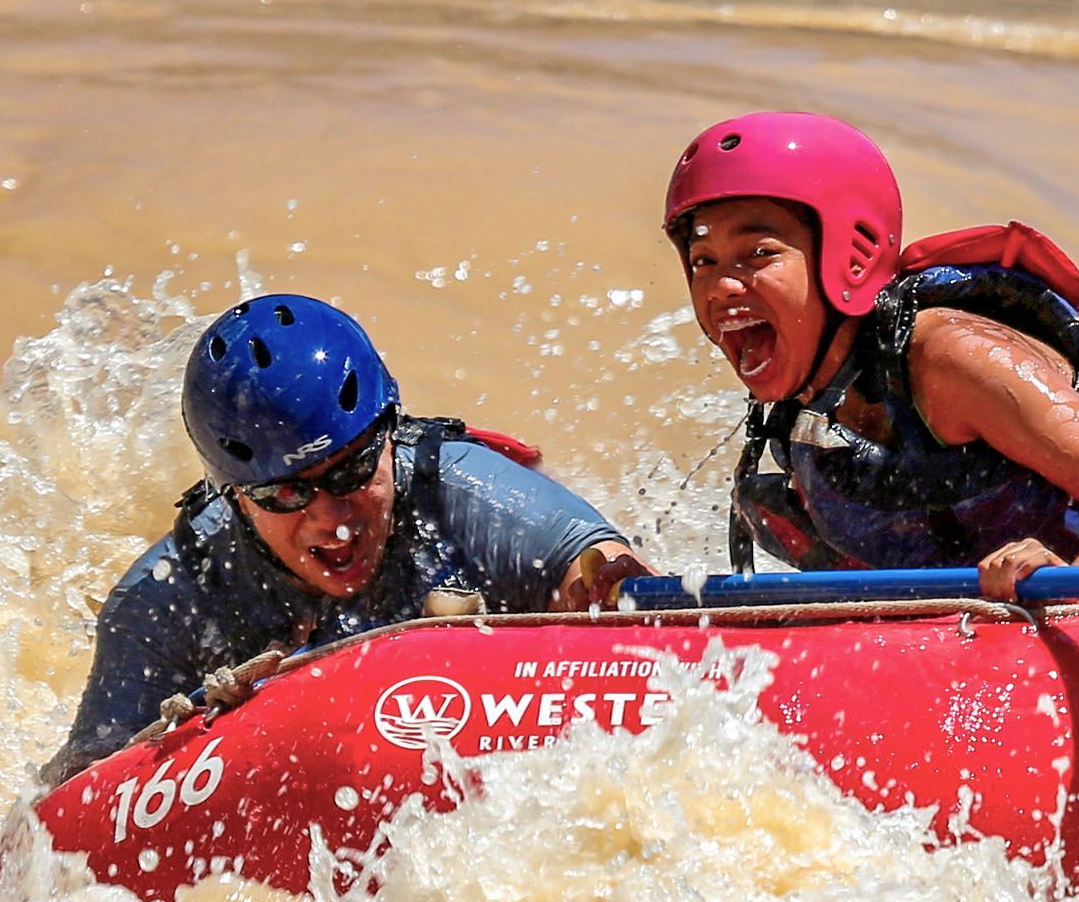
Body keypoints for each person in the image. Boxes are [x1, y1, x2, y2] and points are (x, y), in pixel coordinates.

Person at [41, 294, 650, 785]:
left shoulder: (464, 490)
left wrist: (608, 589)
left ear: (390, 433)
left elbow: (608, 574)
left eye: (352, 470)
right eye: (285, 495)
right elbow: (67, 818)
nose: (331, 521)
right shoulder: (163, 601)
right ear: (234, 494)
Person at [663, 110, 1079, 600]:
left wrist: (1072, 589)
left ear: (846, 257)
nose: (721, 288)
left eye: (758, 254)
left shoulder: (949, 355)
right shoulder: (802, 408)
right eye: (703, 263)